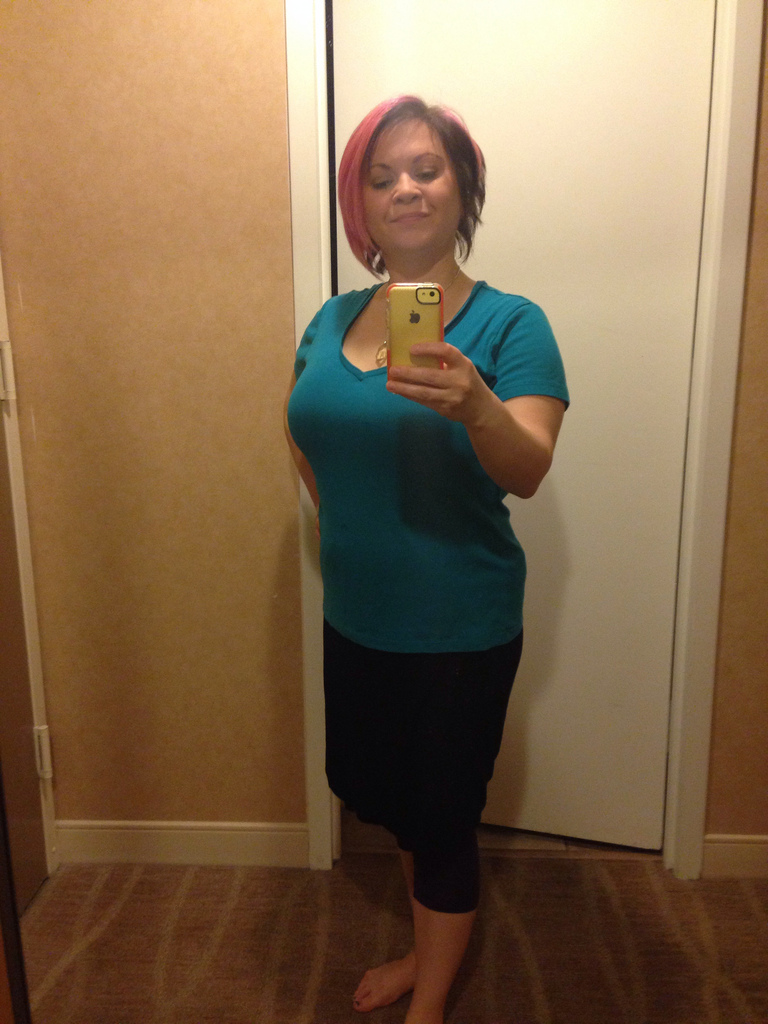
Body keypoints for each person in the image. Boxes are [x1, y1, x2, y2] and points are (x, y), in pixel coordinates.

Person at [284, 95, 568, 1024]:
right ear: (359, 207)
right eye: (381, 177)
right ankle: (422, 948)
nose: (404, 188)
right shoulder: (331, 321)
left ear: (462, 188)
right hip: (355, 618)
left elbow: (529, 469)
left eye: (426, 169)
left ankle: (431, 999)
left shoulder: (512, 325)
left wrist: (477, 406)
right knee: (390, 800)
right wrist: (347, 524)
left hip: (456, 630)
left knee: (441, 819)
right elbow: (302, 426)